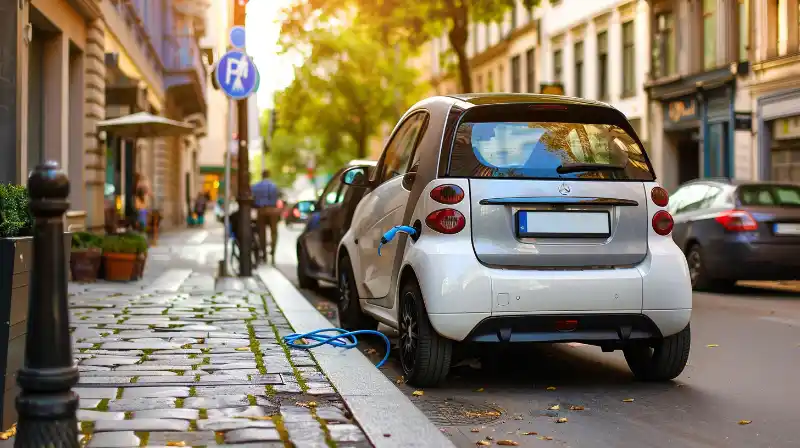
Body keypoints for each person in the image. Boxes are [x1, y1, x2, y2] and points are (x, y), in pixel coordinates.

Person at [251, 169, 281, 264]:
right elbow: (277, 197)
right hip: (272, 210)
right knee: (274, 232)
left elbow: (252, 198)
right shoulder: (274, 186)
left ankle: (263, 253)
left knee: (261, 232)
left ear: (262, 175)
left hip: (261, 210)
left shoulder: (256, 186)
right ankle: (273, 251)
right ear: (269, 175)